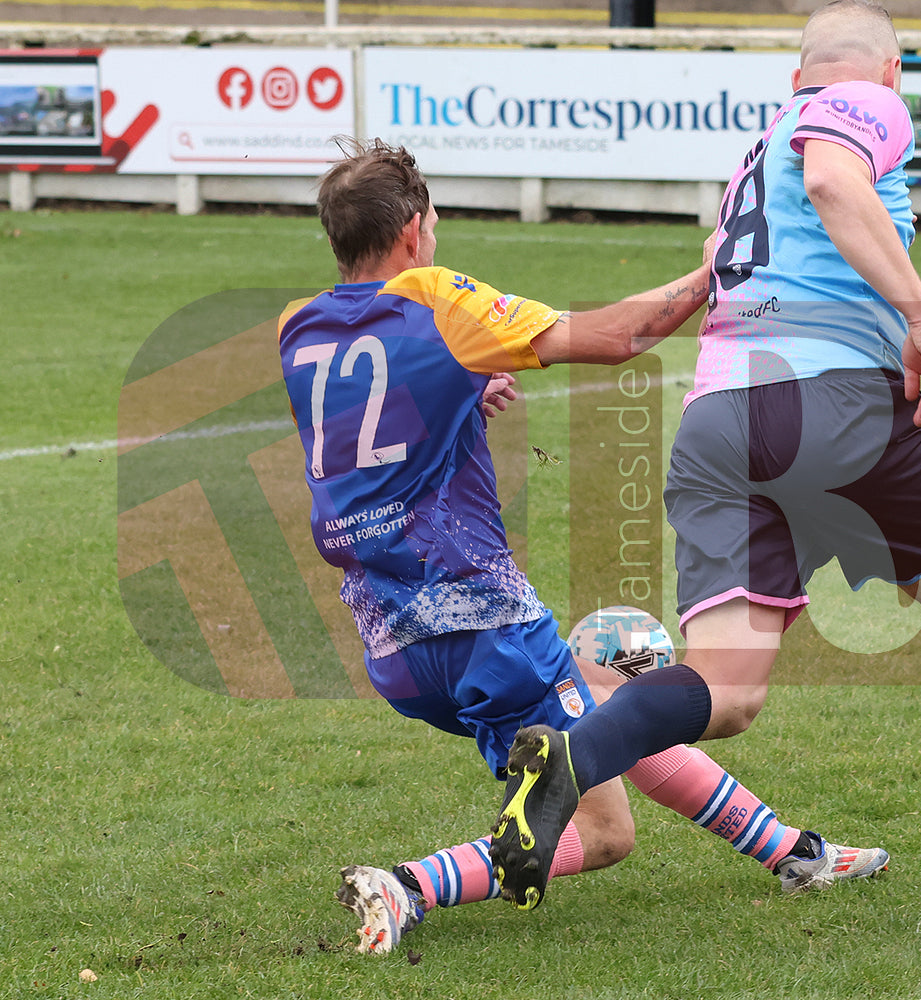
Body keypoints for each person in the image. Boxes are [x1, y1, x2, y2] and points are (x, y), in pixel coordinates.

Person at [488, 0, 921, 929]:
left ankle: (574, 759)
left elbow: (717, 272)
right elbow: (835, 182)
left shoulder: (752, 162)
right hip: (824, 397)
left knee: (729, 687)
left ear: (794, 78)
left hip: (717, 424)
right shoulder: (864, 104)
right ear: (890, 72)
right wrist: (920, 314)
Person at [277, 138, 889, 955]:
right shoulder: (433, 300)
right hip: (483, 624)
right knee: (602, 831)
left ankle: (795, 853)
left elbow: (374, 415)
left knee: (606, 705)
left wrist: (466, 386)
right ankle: (413, 884)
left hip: (390, 642)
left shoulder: (298, 327)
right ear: (416, 231)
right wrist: (717, 269)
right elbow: (618, 336)